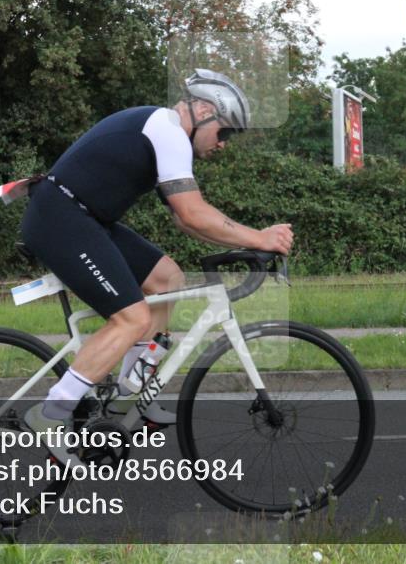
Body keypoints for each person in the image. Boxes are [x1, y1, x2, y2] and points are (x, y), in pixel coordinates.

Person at [20, 69, 294, 464]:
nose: (224, 144)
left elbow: (186, 221)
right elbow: (193, 212)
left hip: (85, 217)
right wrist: (260, 237)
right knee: (130, 318)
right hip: (60, 217)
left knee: (168, 278)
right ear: (202, 110)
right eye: (225, 131)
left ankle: (132, 393)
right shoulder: (165, 129)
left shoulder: (167, 135)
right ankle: (50, 413)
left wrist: (243, 244)